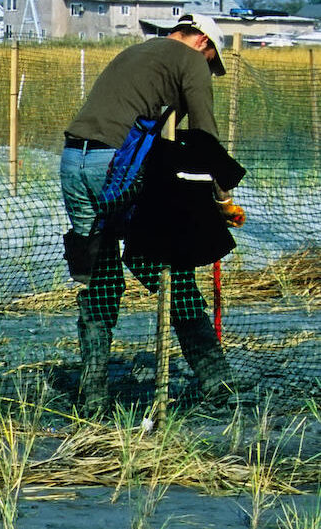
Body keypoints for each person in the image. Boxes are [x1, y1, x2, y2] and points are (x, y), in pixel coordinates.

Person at [61, 13, 243, 411]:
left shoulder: (139, 52)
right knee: (171, 268)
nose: (207, 70)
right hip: (113, 166)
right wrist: (222, 201)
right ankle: (216, 381)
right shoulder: (190, 59)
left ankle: (92, 395)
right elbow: (204, 140)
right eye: (211, 61)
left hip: (73, 162)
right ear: (202, 43)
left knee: (100, 280)